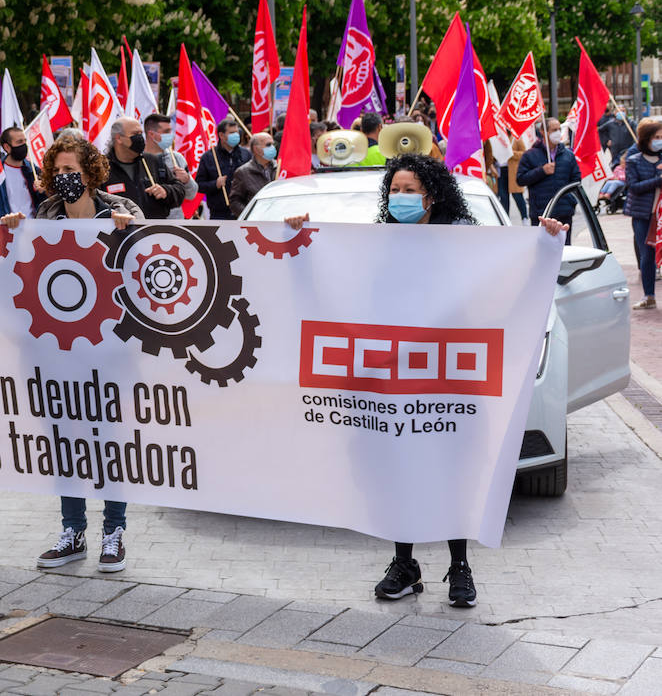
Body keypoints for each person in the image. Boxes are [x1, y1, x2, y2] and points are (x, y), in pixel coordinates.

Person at [283, 153, 567, 609]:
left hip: (448, 376)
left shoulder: (466, 243)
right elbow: (336, 282)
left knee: (452, 468)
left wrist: (544, 244)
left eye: (410, 190)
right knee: (397, 467)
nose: (401, 198)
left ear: (431, 196)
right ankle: (405, 563)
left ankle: (459, 566)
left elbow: (506, 280)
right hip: (390, 375)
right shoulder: (375, 243)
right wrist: (296, 236)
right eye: (394, 190)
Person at [1, 133, 142, 572]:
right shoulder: (43, 215)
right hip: (57, 349)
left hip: (110, 348)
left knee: (108, 441)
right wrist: (10, 232)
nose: (64, 178)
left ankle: (114, 532)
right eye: (57, 171)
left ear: (91, 172)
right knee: (65, 440)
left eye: (72, 171)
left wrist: (130, 234)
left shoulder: (121, 212)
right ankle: (73, 530)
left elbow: (147, 266)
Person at [103, 117, 185, 219]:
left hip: (154, 231)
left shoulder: (152, 161)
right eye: (135, 134)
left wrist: (166, 191)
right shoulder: (103, 168)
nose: (140, 138)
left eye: (141, 133)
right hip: (120, 232)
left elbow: (180, 190)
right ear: (119, 138)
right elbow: (94, 203)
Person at [516, 118, 581, 241]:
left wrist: (570, 201)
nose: (557, 133)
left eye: (559, 129)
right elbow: (521, 179)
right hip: (541, 214)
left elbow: (576, 180)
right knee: (541, 252)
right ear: (543, 131)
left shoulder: (568, 155)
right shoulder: (530, 155)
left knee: (565, 251)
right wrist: (542, 171)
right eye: (554, 130)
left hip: (564, 212)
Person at [624, 118, 662, 309]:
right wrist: (658, 180)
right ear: (647, 139)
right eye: (656, 137)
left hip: (661, 215)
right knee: (647, 255)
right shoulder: (634, 161)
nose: (660, 140)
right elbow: (633, 187)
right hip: (644, 215)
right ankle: (649, 295)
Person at [142, 113, 197, 220]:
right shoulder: (139, 159)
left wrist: (187, 180)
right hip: (146, 222)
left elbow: (191, 195)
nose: (171, 135)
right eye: (166, 132)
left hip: (175, 223)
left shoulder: (177, 158)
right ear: (151, 134)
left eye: (171, 131)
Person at [0, 126, 44, 219]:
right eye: (19, 142)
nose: (24, 145)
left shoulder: (33, 171)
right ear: (7, 147)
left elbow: (45, 203)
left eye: (25, 141)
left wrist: (43, 191)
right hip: (7, 229)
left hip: (34, 227)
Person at [196, 120, 250, 221]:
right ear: (221, 135)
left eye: (237, 132)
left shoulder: (246, 154)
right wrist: (214, 184)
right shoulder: (209, 157)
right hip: (219, 213)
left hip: (243, 210)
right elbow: (199, 185)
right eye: (232, 133)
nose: (236, 135)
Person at [228, 133, 277, 217]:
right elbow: (235, 202)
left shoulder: (280, 168)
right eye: (268, 145)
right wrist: (251, 215)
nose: (272, 148)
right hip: (257, 224)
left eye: (273, 144)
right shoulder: (243, 172)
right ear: (256, 149)